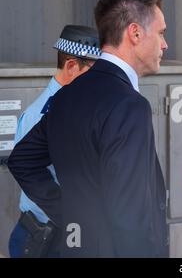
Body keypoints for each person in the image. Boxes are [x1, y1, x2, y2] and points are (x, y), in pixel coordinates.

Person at [7, 0, 168, 257]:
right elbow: (131, 217)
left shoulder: (66, 95)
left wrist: (71, 211)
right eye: (161, 33)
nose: (165, 44)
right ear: (135, 33)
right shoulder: (130, 105)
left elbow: (21, 160)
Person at [8, 25, 100, 258]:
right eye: (95, 71)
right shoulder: (40, 114)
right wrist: (74, 214)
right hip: (44, 240)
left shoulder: (76, 106)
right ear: (71, 66)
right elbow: (28, 173)